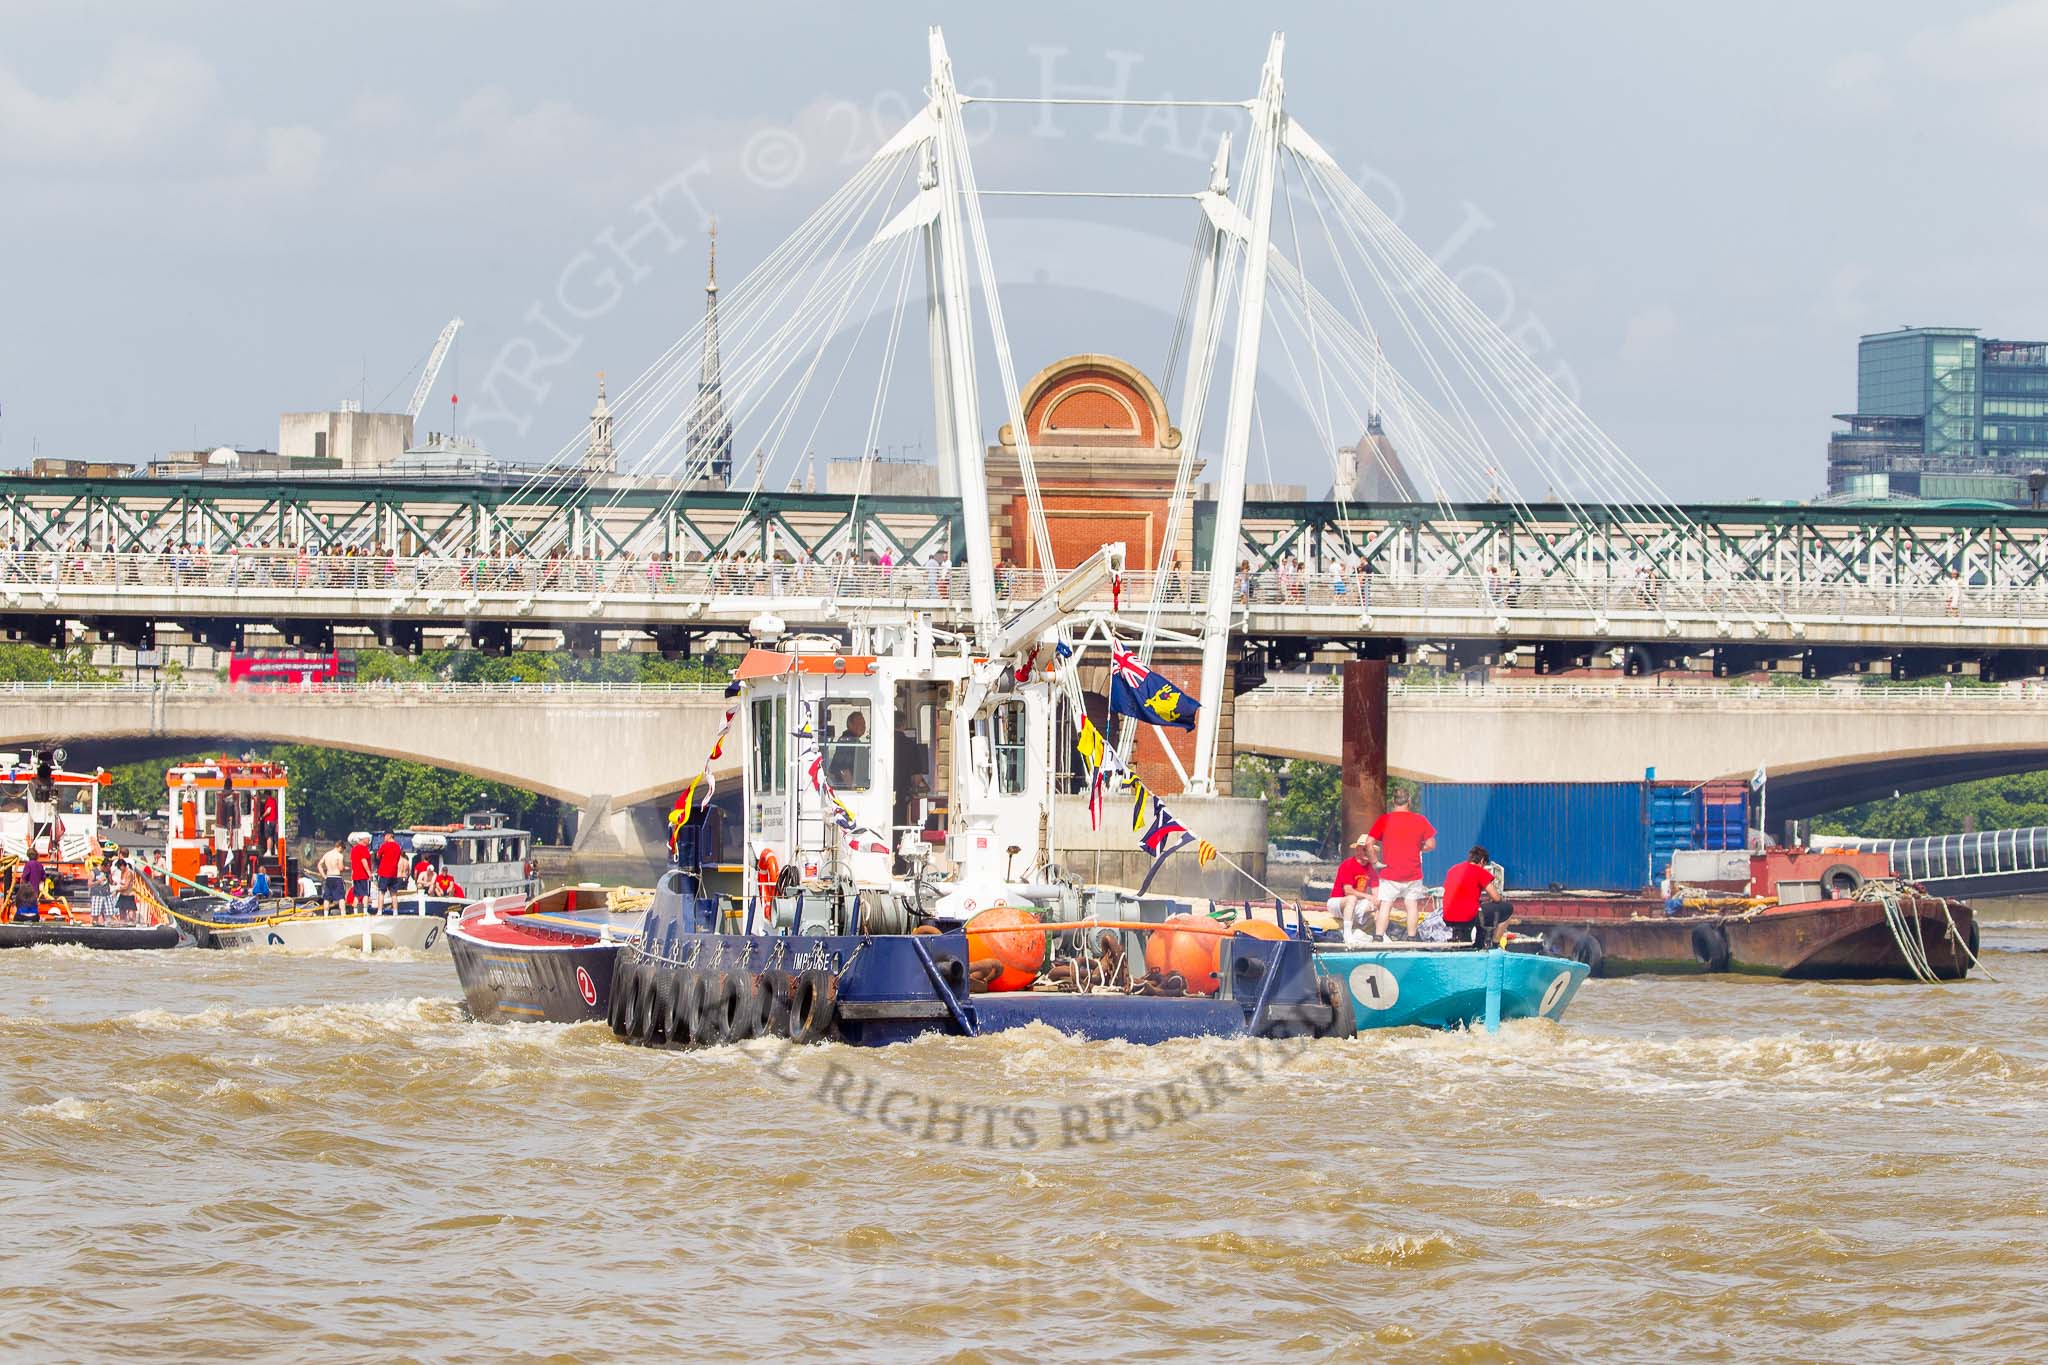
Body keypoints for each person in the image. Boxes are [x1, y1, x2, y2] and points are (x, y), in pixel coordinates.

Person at [1366, 789, 1437, 940]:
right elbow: (1431, 844)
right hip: (1413, 872)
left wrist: (1375, 862)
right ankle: (1411, 938)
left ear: (1393, 801)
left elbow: (1368, 843)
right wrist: (1418, 847)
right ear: (1409, 801)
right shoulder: (1420, 820)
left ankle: (1378, 937)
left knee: (1386, 905)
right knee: (1411, 905)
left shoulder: (1384, 820)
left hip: (1390, 872)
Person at [1441, 845, 1511, 947]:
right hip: (1466, 917)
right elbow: (1496, 898)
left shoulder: (1453, 869)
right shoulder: (1479, 871)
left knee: (1481, 910)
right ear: (1482, 861)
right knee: (1508, 908)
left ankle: (1474, 943)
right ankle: (1495, 944)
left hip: (1448, 916)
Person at [1328, 834, 1378, 944]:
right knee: (1352, 898)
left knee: (1379, 903)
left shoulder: (1371, 869)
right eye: (1365, 849)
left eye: (1369, 850)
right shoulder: (1347, 865)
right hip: (1337, 902)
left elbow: (1376, 892)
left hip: (1357, 904)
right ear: (1357, 850)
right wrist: (1368, 896)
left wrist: (1376, 901)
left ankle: (1381, 934)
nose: (1367, 853)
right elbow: (1348, 890)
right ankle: (1347, 934)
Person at [374, 832, 404, 910]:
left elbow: (377, 856)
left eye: (385, 836)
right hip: (394, 872)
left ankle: (380, 911)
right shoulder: (398, 847)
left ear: (389, 836)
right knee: (393, 893)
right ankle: (395, 911)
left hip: (384, 871)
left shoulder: (385, 845)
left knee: (381, 892)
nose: (384, 838)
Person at [318, 841, 347, 914]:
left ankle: (325, 914)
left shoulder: (327, 854)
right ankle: (343, 913)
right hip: (337, 877)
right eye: (342, 850)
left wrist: (324, 875)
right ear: (340, 847)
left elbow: (319, 865)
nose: (342, 851)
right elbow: (340, 868)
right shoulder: (339, 855)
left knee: (327, 897)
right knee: (341, 897)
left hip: (329, 877)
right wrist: (345, 868)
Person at [347, 833, 374, 911]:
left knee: (356, 895)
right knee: (365, 894)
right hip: (363, 875)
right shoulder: (363, 848)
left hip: (355, 875)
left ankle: (355, 911)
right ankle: (365, 911)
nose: (369, 840)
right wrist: (369, 873)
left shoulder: (354, 849)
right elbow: (363, 860)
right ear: (363, 839)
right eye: (368, 839)